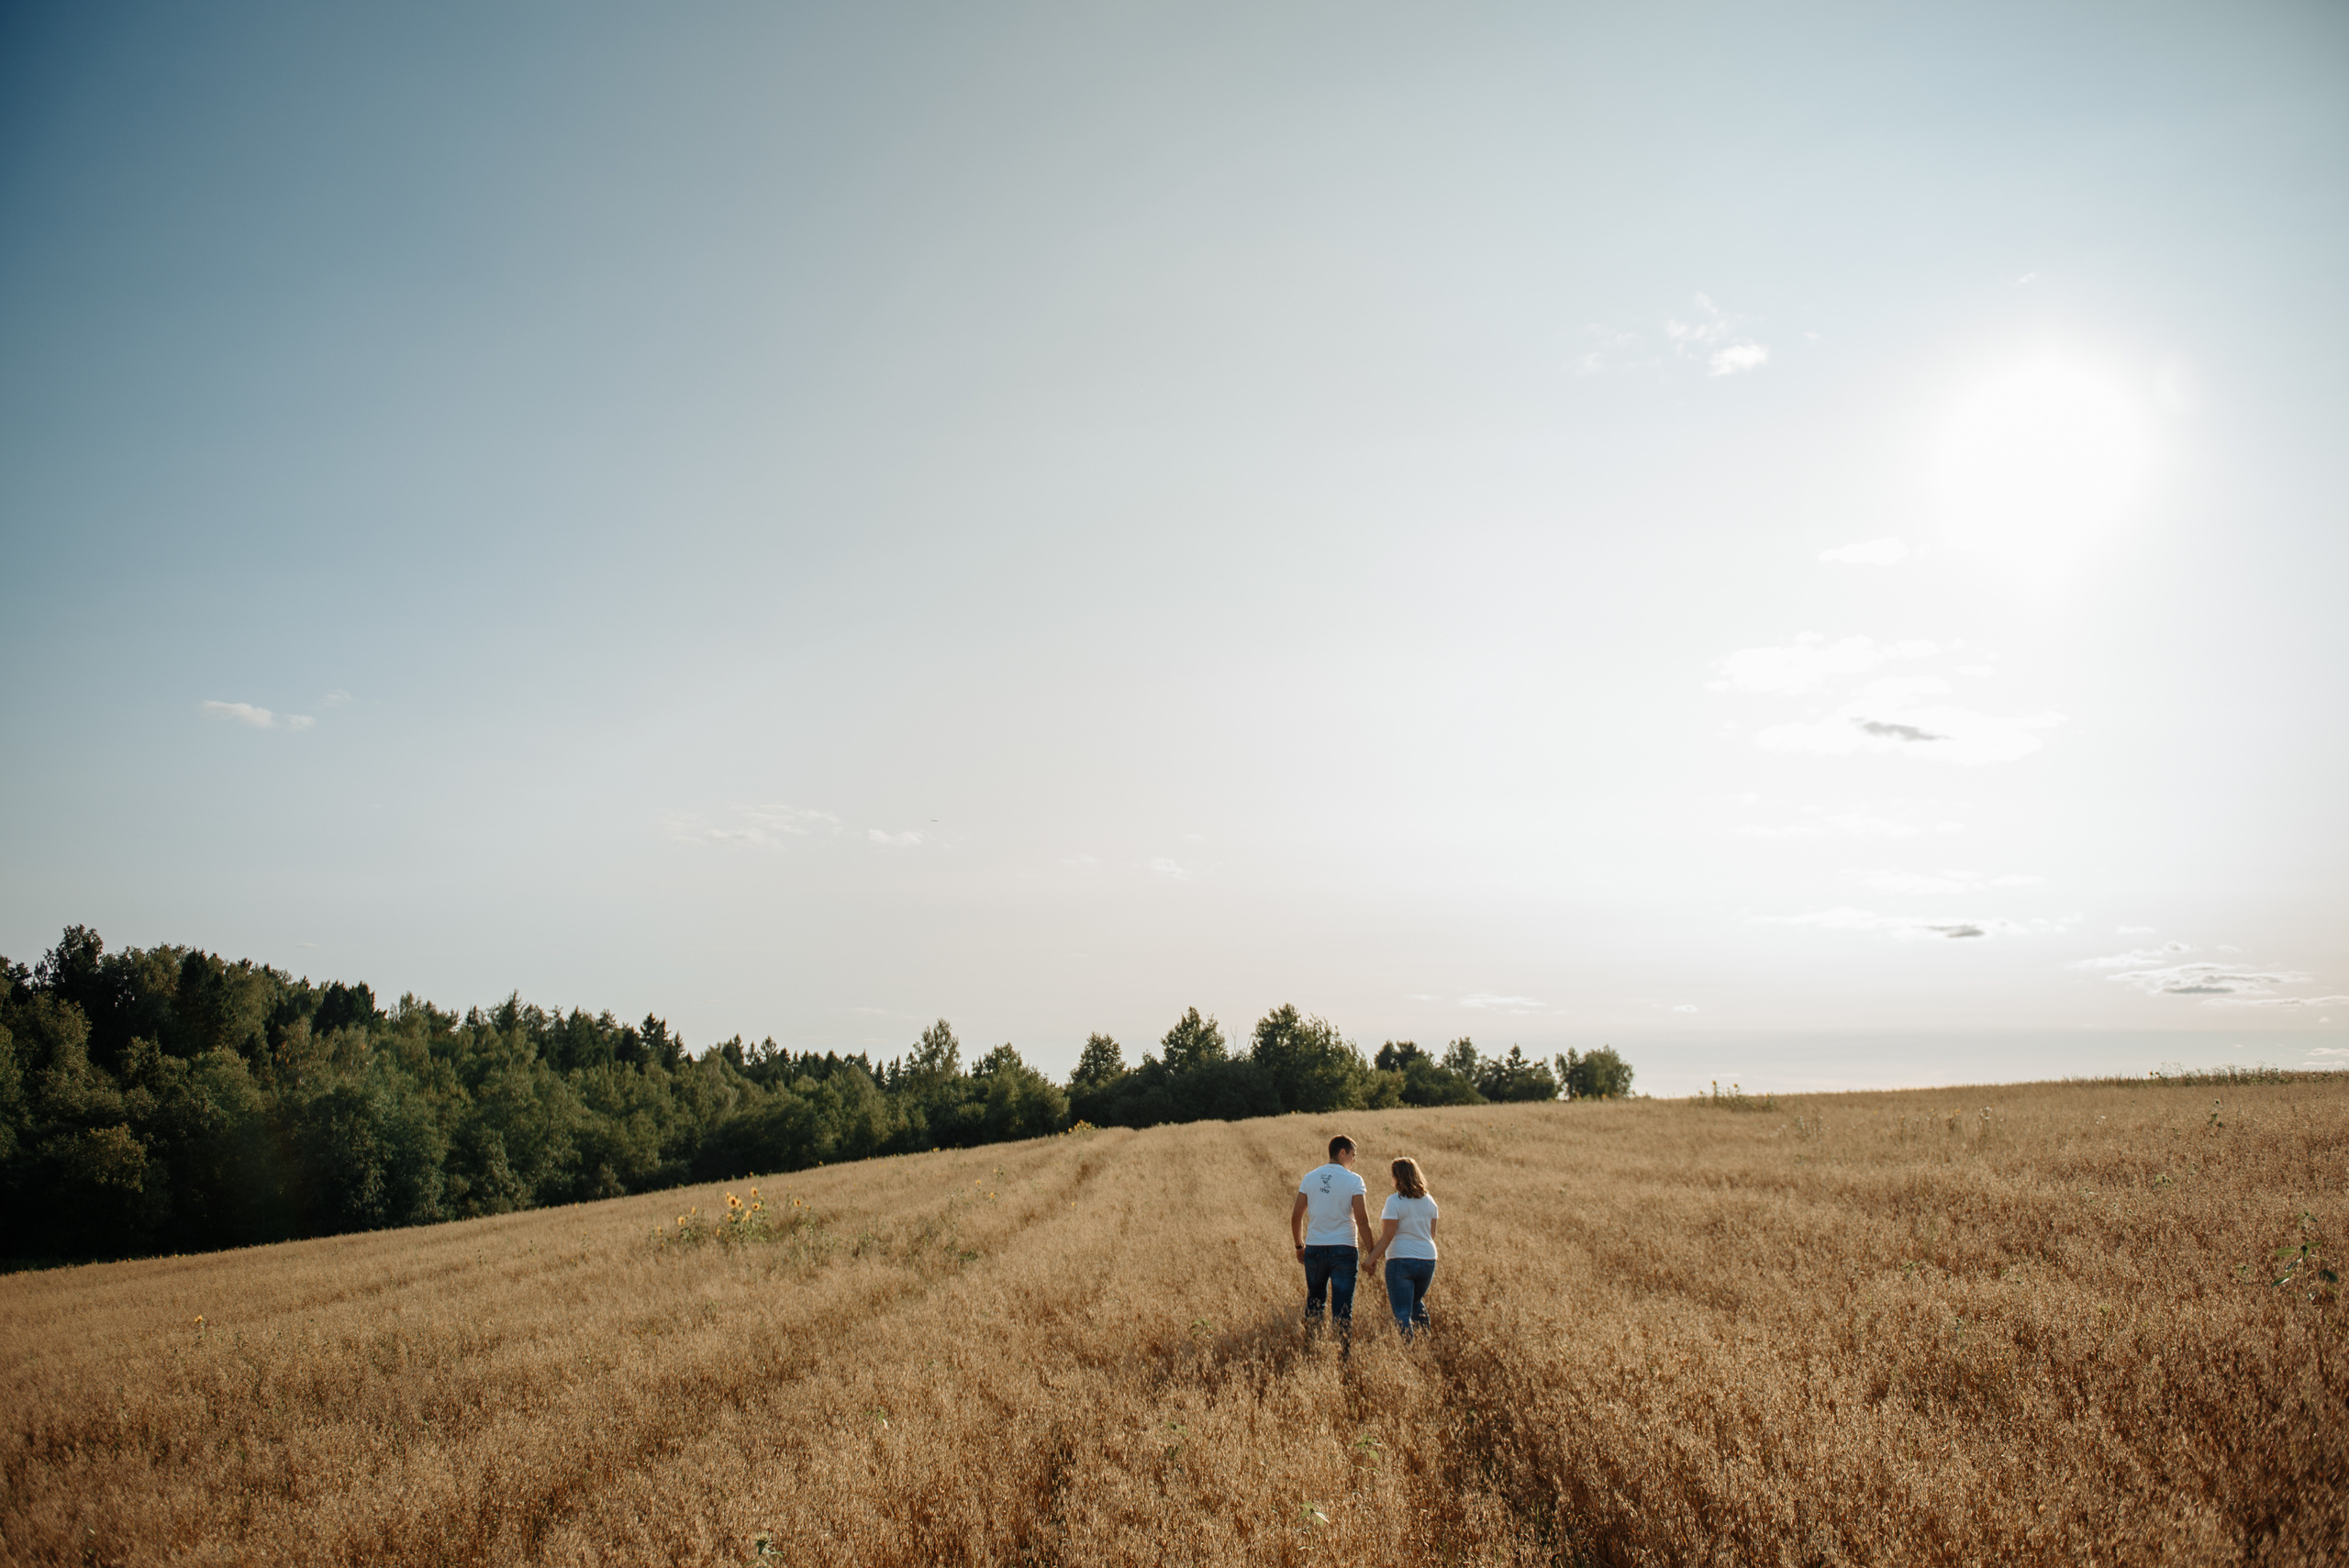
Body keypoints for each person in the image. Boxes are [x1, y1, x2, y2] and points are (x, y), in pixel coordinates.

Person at [1290, 1134, 1373, 1343]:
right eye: (1353, 1155)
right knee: (1343, 1307)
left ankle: (1311, 1347)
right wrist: (1372, 1253)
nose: (1354, 1160)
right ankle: (1341, 1355)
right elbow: (1362, 1220)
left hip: (1315, 1249)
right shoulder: (1354, 1180)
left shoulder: (1310, 1177)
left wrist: (1300, 1246)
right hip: (1344, 1250)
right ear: (1342, 1153)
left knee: (1315, 1302)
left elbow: (1296, 1216)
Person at [1364, 1155, 1439, 1341]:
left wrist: (1369, 1260)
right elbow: (1431, 1235)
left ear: (1398, 1177)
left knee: (1402, 1312)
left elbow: (1387, 1236)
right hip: (1428, 1260)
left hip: (1401, 1260)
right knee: (1415, 1302)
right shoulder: (1430, 1201)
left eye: (1393, 1175)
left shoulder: (1394, 1201)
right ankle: (1425, 1343)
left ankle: (1409, 1349)